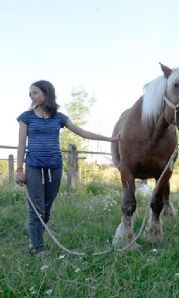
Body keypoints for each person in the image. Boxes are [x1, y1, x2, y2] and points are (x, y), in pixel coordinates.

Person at [15, 80, 119, 254]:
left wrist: (110, 139)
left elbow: (82, 132)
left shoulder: (59, 117)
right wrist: (19, 170)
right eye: (30, 93)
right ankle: (37, 248)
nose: (31, 96)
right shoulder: (26, 117)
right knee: (36, 208)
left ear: (46, 94)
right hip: (33, 167)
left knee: (46, 209)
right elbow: (20, 144)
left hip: (54, 167)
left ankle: (36, 238)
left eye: (35, 92)